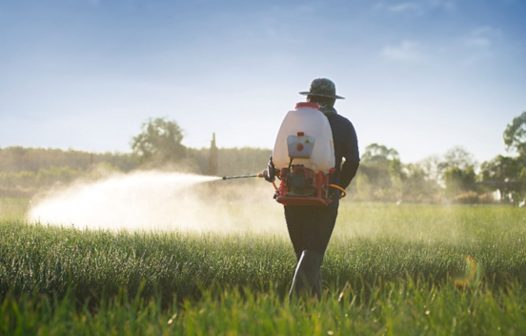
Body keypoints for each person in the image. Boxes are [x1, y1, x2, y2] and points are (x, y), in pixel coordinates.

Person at [264, 78, 360, 298]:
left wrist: (271, 170)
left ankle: (314, 308)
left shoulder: (295, 122)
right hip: (323, 197)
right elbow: (353, 161)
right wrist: (337, 186)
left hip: (292, 197)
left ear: (308, 98)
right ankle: (295, 306)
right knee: (313, 253)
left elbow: (276, 156)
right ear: (332, 100)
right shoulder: (343, 125)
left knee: (303, 254)